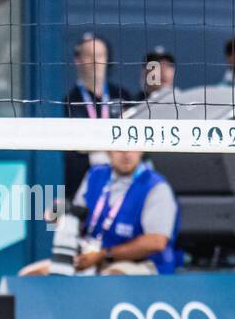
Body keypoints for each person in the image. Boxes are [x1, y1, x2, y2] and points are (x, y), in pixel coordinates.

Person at [20, 150, 180, 276]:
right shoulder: (95, 174)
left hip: (140, 264)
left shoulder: (156, 187)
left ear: (142, 150)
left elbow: (156, 242)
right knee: (30, 276)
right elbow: (78, 213)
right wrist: (59, 212)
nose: (126, 154)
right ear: (108, 150)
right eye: (119, 148)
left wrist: (104, 255)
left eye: (131, 147)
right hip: (90, 258)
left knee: (109, 281)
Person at [62, 33, 135, 201]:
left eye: (100, 55)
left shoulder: (122, 95)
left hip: (120, 185)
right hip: (77, 186)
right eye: (89, 55)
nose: (96, 61)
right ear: (77, 60)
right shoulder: (67, 102)